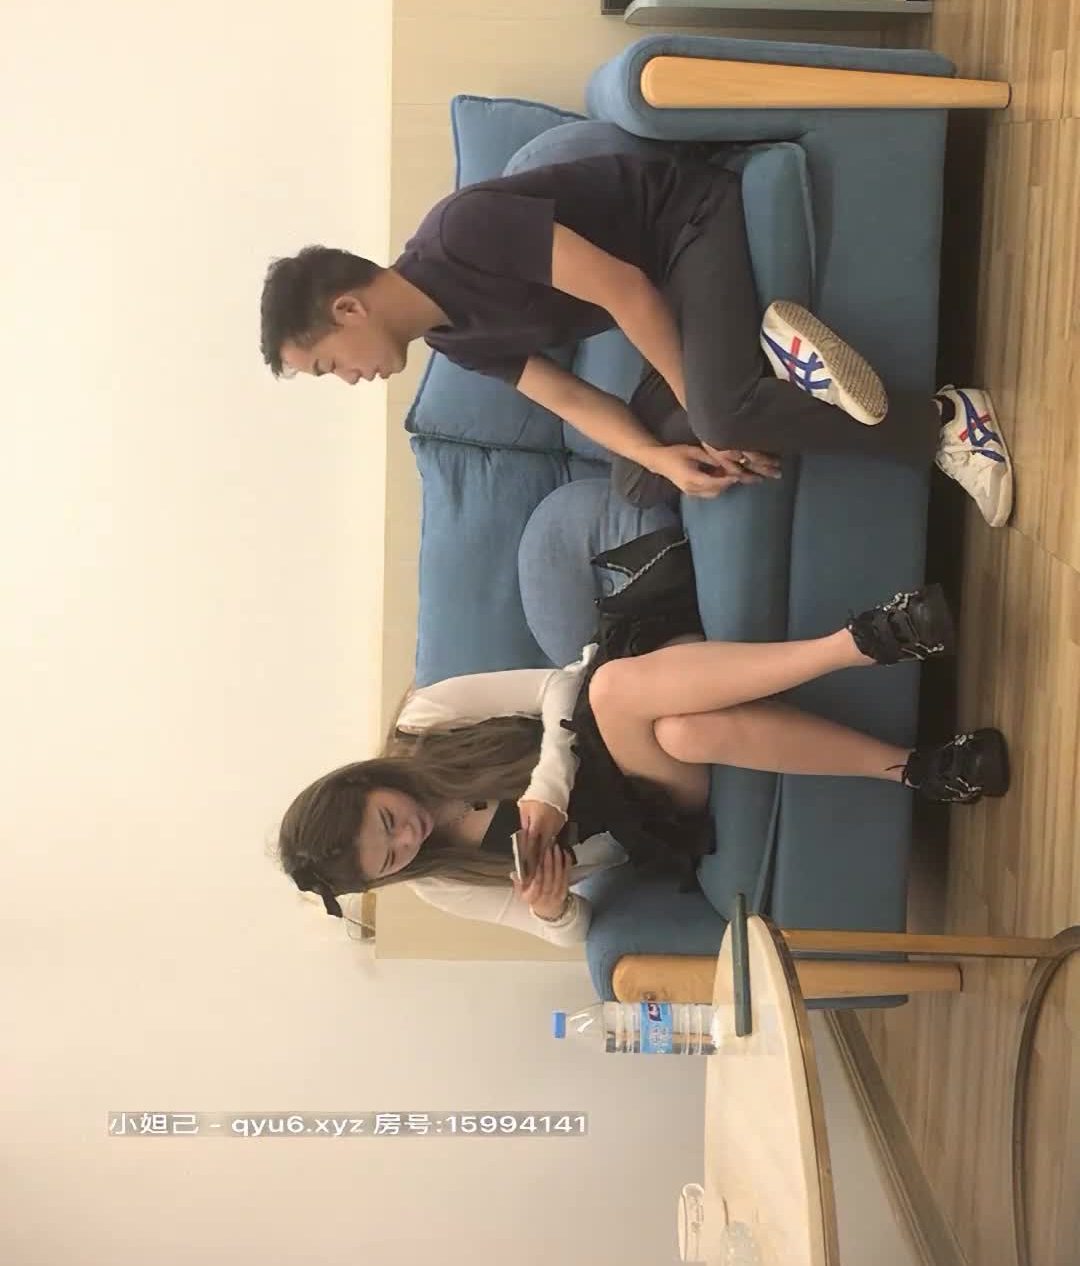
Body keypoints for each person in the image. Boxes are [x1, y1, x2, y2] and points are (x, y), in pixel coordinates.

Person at [259, 151, 1013, 526]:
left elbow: (625, 289)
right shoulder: (453, 339)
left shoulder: (462, 234)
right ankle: (771, 361)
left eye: (329, 366)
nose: (349, 380)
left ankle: (945, 420)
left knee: (719, 416)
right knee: (642, 480)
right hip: (672, 301)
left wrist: (706, 415)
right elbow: (568, 398)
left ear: (349, 310)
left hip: (685, 229)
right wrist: (658, 454)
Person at [277, 579, 1009, 948]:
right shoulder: (445, 884)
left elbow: (556, 686)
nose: (407, 837)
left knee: (675, 724)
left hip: (629, 695)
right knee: (637, 708)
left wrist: (548, 787)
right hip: (645, 805)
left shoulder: (426, 720)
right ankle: (867, 640)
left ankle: (917, 769)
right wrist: (550, 906)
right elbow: (571, 934)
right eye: (391, 858)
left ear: (364, 780)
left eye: (386, 821)